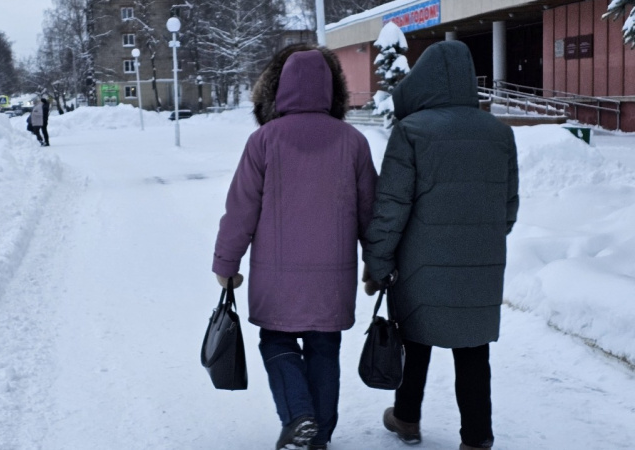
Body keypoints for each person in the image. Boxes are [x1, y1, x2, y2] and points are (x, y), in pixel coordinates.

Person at [212, 44, 377, 450]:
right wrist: (376, 262)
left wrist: (226, 263)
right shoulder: (353, 142)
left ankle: (298, 416)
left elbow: (241, 209)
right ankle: (318, 436)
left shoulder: (263, 140)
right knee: (325, 349)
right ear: (332, 89)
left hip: (277, 278)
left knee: (276, 341)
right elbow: (370, 212)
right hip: (333, 279)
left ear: (280, 88)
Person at [362, 40, 519, 450]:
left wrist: (378, 262)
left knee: (414, 338)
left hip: (419, 264)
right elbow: (508, 208)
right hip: (481, 266)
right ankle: (477, 438)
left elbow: (391, 206)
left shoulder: (411, 131)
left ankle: (406, 418)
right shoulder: (499, 133)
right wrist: (479, 243)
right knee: (473, 350)